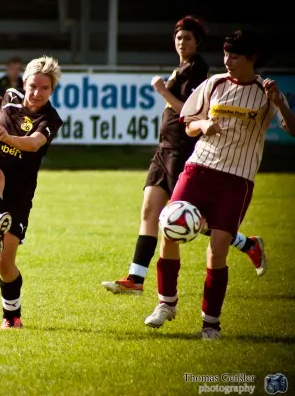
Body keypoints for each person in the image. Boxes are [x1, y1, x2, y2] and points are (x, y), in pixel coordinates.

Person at [144, 29, 295, 339]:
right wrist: (203, 124)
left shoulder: (267, 93)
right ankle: (166, 304)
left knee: (217, 251)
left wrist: (280, 104)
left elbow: (292, 130)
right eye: (225, 54)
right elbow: (188, 124)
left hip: (236, 180)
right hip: (198, 169)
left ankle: (210, 324)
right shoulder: (214, 84)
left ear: (252, 58)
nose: (227, 61)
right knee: (169, 229)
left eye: (234, 56)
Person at [101, 16, 266, 296]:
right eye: (179, 37)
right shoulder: (181, 67)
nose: (182, 42)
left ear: (198, 42)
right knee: (151, 211)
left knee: (183, 217)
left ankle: (247, 244)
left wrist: (161, 90)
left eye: (188, 38)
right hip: (164, 149)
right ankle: (136, 279)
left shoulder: (197, 69)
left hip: (182, 150)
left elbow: (186, 111)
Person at [0, 55, 63, 329]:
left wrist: (8, 138)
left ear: (52, 90)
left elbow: (34, 144)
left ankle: (12, 317)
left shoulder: (50, 118)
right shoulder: (10, 97)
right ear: (24, 83)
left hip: (19, 193)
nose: (37, 93)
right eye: (33, 86)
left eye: (44, 88)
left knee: (4, 264)